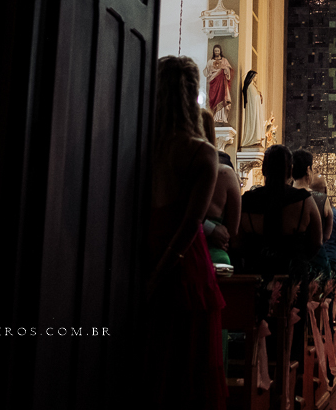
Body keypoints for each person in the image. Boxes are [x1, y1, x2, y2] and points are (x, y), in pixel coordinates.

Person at [145, 55, 226, 409]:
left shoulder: (139, 144)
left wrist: (150, 273)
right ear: (195, 93)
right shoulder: (202, 153)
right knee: (188, 369)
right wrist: (161, 273)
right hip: (184, 264)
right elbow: (192, 224)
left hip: (144, 253)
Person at [237, 145, 323, 279]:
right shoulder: (304, 200)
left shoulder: (247, 200)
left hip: (256, 273)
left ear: (263, 169)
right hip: (293, 275)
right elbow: (317, 242)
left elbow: (237, 241)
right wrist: (301, 258)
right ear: (290, 171)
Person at [199, 108, 241, 268]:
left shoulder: (177, 170)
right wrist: (212, 229)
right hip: (215, 254)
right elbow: (233, 232)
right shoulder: (226, 174)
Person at [312, 175, 336, 274]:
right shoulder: (335, 214)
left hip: (311, 258)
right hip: (330, 256)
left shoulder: (306, 209)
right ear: (325, 190)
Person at [204, 44, 234, 124]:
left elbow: (229, 71)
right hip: (214, 83)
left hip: (222, 83)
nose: (217, 52)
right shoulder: (210, 61)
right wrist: (212, 70)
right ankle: (215, 117)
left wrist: (225, 69)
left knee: (222, 97)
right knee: (213, 98)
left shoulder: (224, 60)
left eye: (218, 51)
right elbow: (207, 72)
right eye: (215, 51)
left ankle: (222, 117)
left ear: (220, 51)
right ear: (213, 52)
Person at [240, 70, 264, 149]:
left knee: (256, 123)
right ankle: (253, 140)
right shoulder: (250, 86)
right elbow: (254, 97)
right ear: (252, 77)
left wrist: (259, 94)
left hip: (255, 109)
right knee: (253, 123)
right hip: (252, 109)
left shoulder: (252, 86)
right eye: (255, 76)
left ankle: (255, 140)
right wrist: (258, 95)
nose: (256, 78)